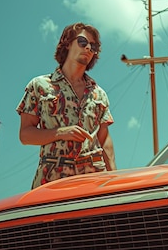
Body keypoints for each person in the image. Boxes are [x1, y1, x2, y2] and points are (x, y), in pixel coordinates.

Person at [16, 22, 116, 189]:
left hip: (94, 178)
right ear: (68, 43)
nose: (88, 48)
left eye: (94, 46)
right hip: (53, 178)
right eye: (83, 42)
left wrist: (114, 179)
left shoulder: (99, 94)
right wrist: (60, 133)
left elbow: (104, 139)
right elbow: (25, 135)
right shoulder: (40, 86)